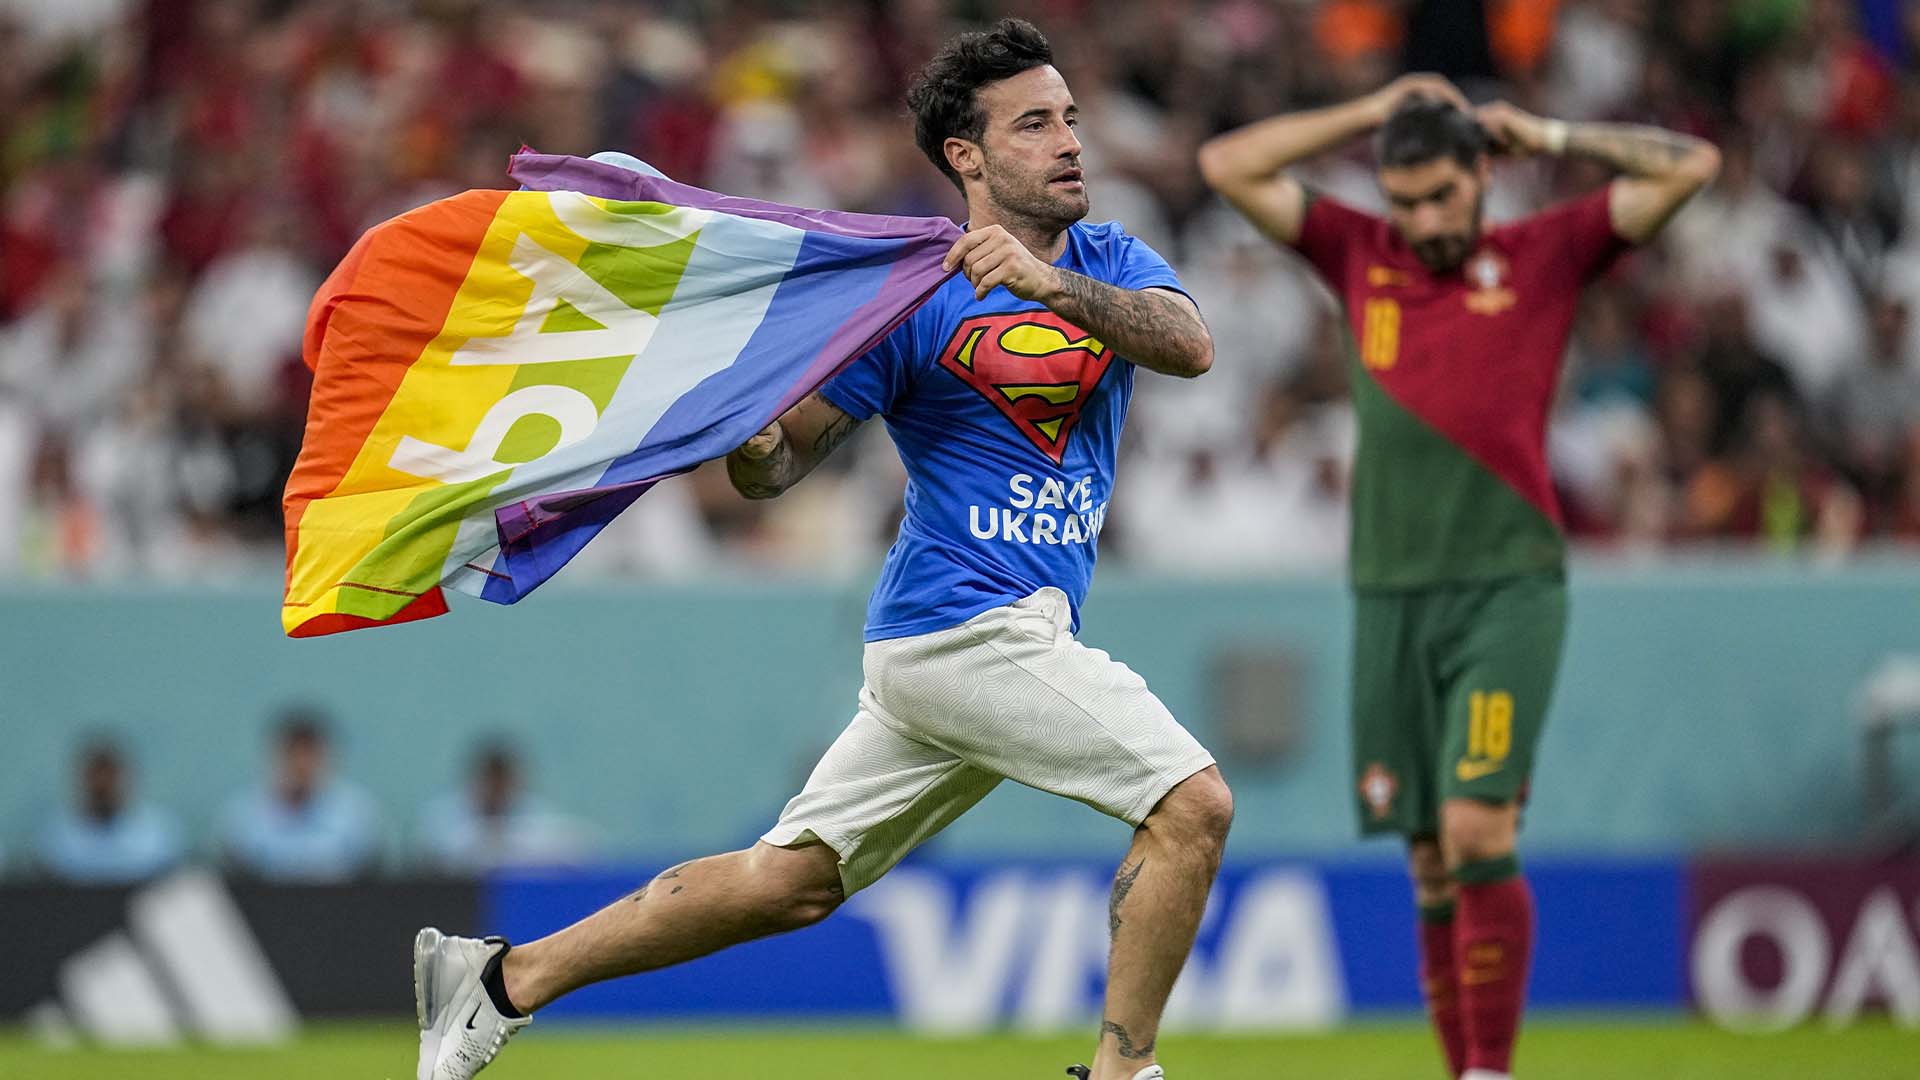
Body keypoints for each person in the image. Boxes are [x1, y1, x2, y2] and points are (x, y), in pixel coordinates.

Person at [412, 19, 1231, 1080]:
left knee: (786, 882)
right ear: (966, 158)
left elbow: (1190, 345)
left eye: (1070, 117)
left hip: (971, 640)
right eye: (1035, 124)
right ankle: (1123, 1074)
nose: (1070, 140)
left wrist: (1047, 285)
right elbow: (779, 467)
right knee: (1192, 804)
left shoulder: (1111, 260)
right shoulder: (909, 294)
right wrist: (751, 436)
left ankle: (499, 980)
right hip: (963, 628)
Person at [1199, 76, 1718, 1080]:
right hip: (1388, 593)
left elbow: (1693, 166)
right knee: (1430, 858)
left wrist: (1555, 130)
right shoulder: (1361, 251)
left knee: (1477, 823)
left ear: (1484, 173)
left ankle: (1491, 1072)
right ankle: (1463, 1070)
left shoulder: (1546, 252)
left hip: (1507, 585)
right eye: (1405, 200)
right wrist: (1370, 110)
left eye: (1441, 194)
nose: (1423, 220)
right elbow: (1229, 165)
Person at [216, 706, 383, 882]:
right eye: (294, 754)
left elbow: (370, 875)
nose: (301, 765)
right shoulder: (242, 815)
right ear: (277, 756)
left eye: (309, 755)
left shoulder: (358, 813)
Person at [414, 739, 594, 873]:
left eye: (502, 780)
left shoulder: (535, 817)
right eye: (490, 780)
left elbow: (579, 848)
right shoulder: (440, 819)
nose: (496, 788)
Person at [32, 737, 185, 884]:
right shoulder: (57, 837)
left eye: (110, 777)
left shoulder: (157, 834)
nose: (103, 785)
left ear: (125, 779)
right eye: (96, 779)